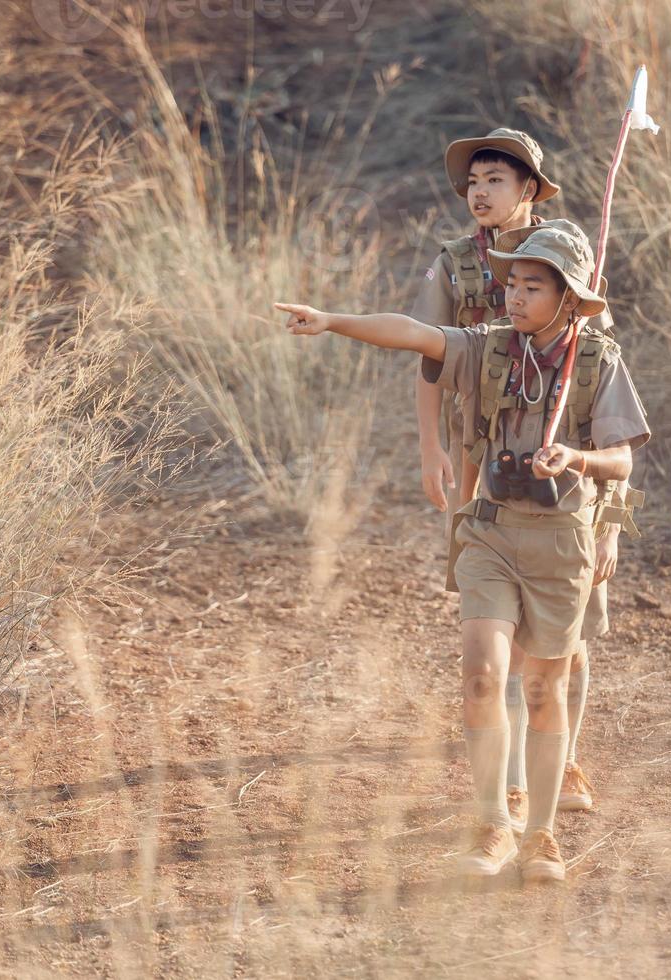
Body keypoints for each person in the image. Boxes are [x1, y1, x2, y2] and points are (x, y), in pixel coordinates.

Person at [277, 221, 649, 883]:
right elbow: (415, 334)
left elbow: (621, 458)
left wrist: (577, 459)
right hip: (490, 532)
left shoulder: (596, 360)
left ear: (567, 298)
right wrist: (331, 320)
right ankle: (490, 825)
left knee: (542, 690)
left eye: (532, 286)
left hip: (561, 541)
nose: (513, 295)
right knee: (480, 677)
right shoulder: (488, 347)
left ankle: (540, 835)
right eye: (511, 283)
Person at [411, 133, 630, 827]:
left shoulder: (567, 259)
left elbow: (601, 388)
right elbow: (426, 356)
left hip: (564, 479)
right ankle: (506, 783)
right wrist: (432, 449)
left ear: (529, 189)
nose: (479, 193)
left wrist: (612, 514)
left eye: (496, 180)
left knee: (571, 630)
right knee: (491, 624)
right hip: (482, 454)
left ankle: (560, 757)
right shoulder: (453, 267)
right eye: (472, 182)